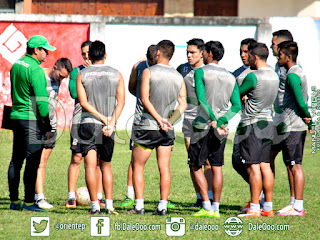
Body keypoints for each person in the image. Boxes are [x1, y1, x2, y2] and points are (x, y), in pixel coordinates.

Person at [127, 40, 187, 215]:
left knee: (137, 166)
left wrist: (159, 119)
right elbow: (183, 104)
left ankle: (139, 206)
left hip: (146, 125)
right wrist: (169, 121)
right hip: (166, 129)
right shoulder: (178, 76)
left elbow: (144, 99)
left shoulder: (148, 71)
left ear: (158, 53)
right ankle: (162, 206)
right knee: (164, 167)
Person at [189, 41, 241, 218]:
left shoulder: (200, 72)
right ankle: (216, 209)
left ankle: (206, 206)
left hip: (203, 125)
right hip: (222, 128)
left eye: (204, 51)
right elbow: (236, 105)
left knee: (196, 165)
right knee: (217, 166)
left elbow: (202, 100)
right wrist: (222, 121)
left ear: (209, 53)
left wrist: (213, 120)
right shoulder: (230, 76)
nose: (202, 54)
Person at [77, 40, 125, 214]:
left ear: (89, 56)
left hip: (88, 124)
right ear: (105, 55)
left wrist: (101, 118)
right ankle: (110, 205)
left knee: (90, 166)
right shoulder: (116, 74)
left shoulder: (82, 74)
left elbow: (83, 102)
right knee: (105, 166)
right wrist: (110, 121)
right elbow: (121, 102)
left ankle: (95, 206)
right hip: (108, 127)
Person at [8, 35, 56, 211]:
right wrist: (47, 126)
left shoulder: (17, 65)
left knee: (16, 161)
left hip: (16, 117)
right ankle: (29, 203)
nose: (47, 54)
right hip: (31, 120)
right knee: (33, 161)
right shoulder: (36, 70)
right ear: (36, 50)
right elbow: (42, 103)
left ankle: (14, 201)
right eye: (45, 50)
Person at [237, 42, 279, 217]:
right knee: (265, 166)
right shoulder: (274, 75)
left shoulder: (253, 76)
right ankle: (267, 207)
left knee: (253, 167)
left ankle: (254, 208)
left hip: (252, 124)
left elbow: (236, 93)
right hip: (268, 123)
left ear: (255, 57)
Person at [66, 41, 106, 209]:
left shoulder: (104, 72)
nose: (86, 57)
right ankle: (70, 197)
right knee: (76, 158)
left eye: (88, 53)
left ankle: (98, 196)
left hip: (98, 121)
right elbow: (74, 93)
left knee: (97, 161)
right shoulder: (76, 71)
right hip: (79, 121)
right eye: (83, 54)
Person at [276, 41, 314, 216]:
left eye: (280, 55)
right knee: (291, 165)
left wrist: (310, 120)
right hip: (291, 125)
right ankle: (293, 203)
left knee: (295, 165)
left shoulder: (292, 75)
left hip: (293, 126)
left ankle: (298, 206)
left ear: (288, 57)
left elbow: (301, 101)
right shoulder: (297, 71)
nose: (278, 57)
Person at [176, 38, 213, 207]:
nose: (189, 56)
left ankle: (210, 197)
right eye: (187, 53)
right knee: (193, 161)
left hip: (206, 122)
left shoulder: (207, 71)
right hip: (189, 121)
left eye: (193, 53)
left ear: (202, 53)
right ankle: (200, 198)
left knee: (207, 162)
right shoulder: (182, 69)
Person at [121, 45, 159, 207]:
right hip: (140, 120)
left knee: (163, 162)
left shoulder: (162, 68)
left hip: (160, 121)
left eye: (153, 60)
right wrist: (142, 96)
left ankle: (163, 199)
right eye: (149, 60)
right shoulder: (139, 66)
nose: (151, 63)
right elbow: (131, 87)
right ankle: (130, 195)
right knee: (135, 161)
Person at [231, 38, 265, 212]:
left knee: (259, 164)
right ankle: (259, 196)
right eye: (241, 52)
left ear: (253, 54)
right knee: (238, 161)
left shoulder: (261, 72)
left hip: (257, 123)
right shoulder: (237, 73)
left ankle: (261, 200)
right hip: (244, 121)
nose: (243, 55)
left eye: (246, 52)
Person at [35, 58, 73, 209]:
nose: (62, 80)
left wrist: (52, 125)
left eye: (64, 78)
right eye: (61, 76)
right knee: (37, 162)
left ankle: (37, 195)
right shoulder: (39, 76)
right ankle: (38, 198)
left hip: (51, 128)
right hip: (37, 126)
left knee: (42, 163)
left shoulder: (58, 81)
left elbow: (54, 102)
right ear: (55, 67)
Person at [269, 30, 297, 214]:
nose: (271, 46)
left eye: (273, 43)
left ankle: (294, 202)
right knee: (267, 157)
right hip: (277, 119)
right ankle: (264, 199)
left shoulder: (291, 68)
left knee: (291, 162)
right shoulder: (278, 65)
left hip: (287, 121)